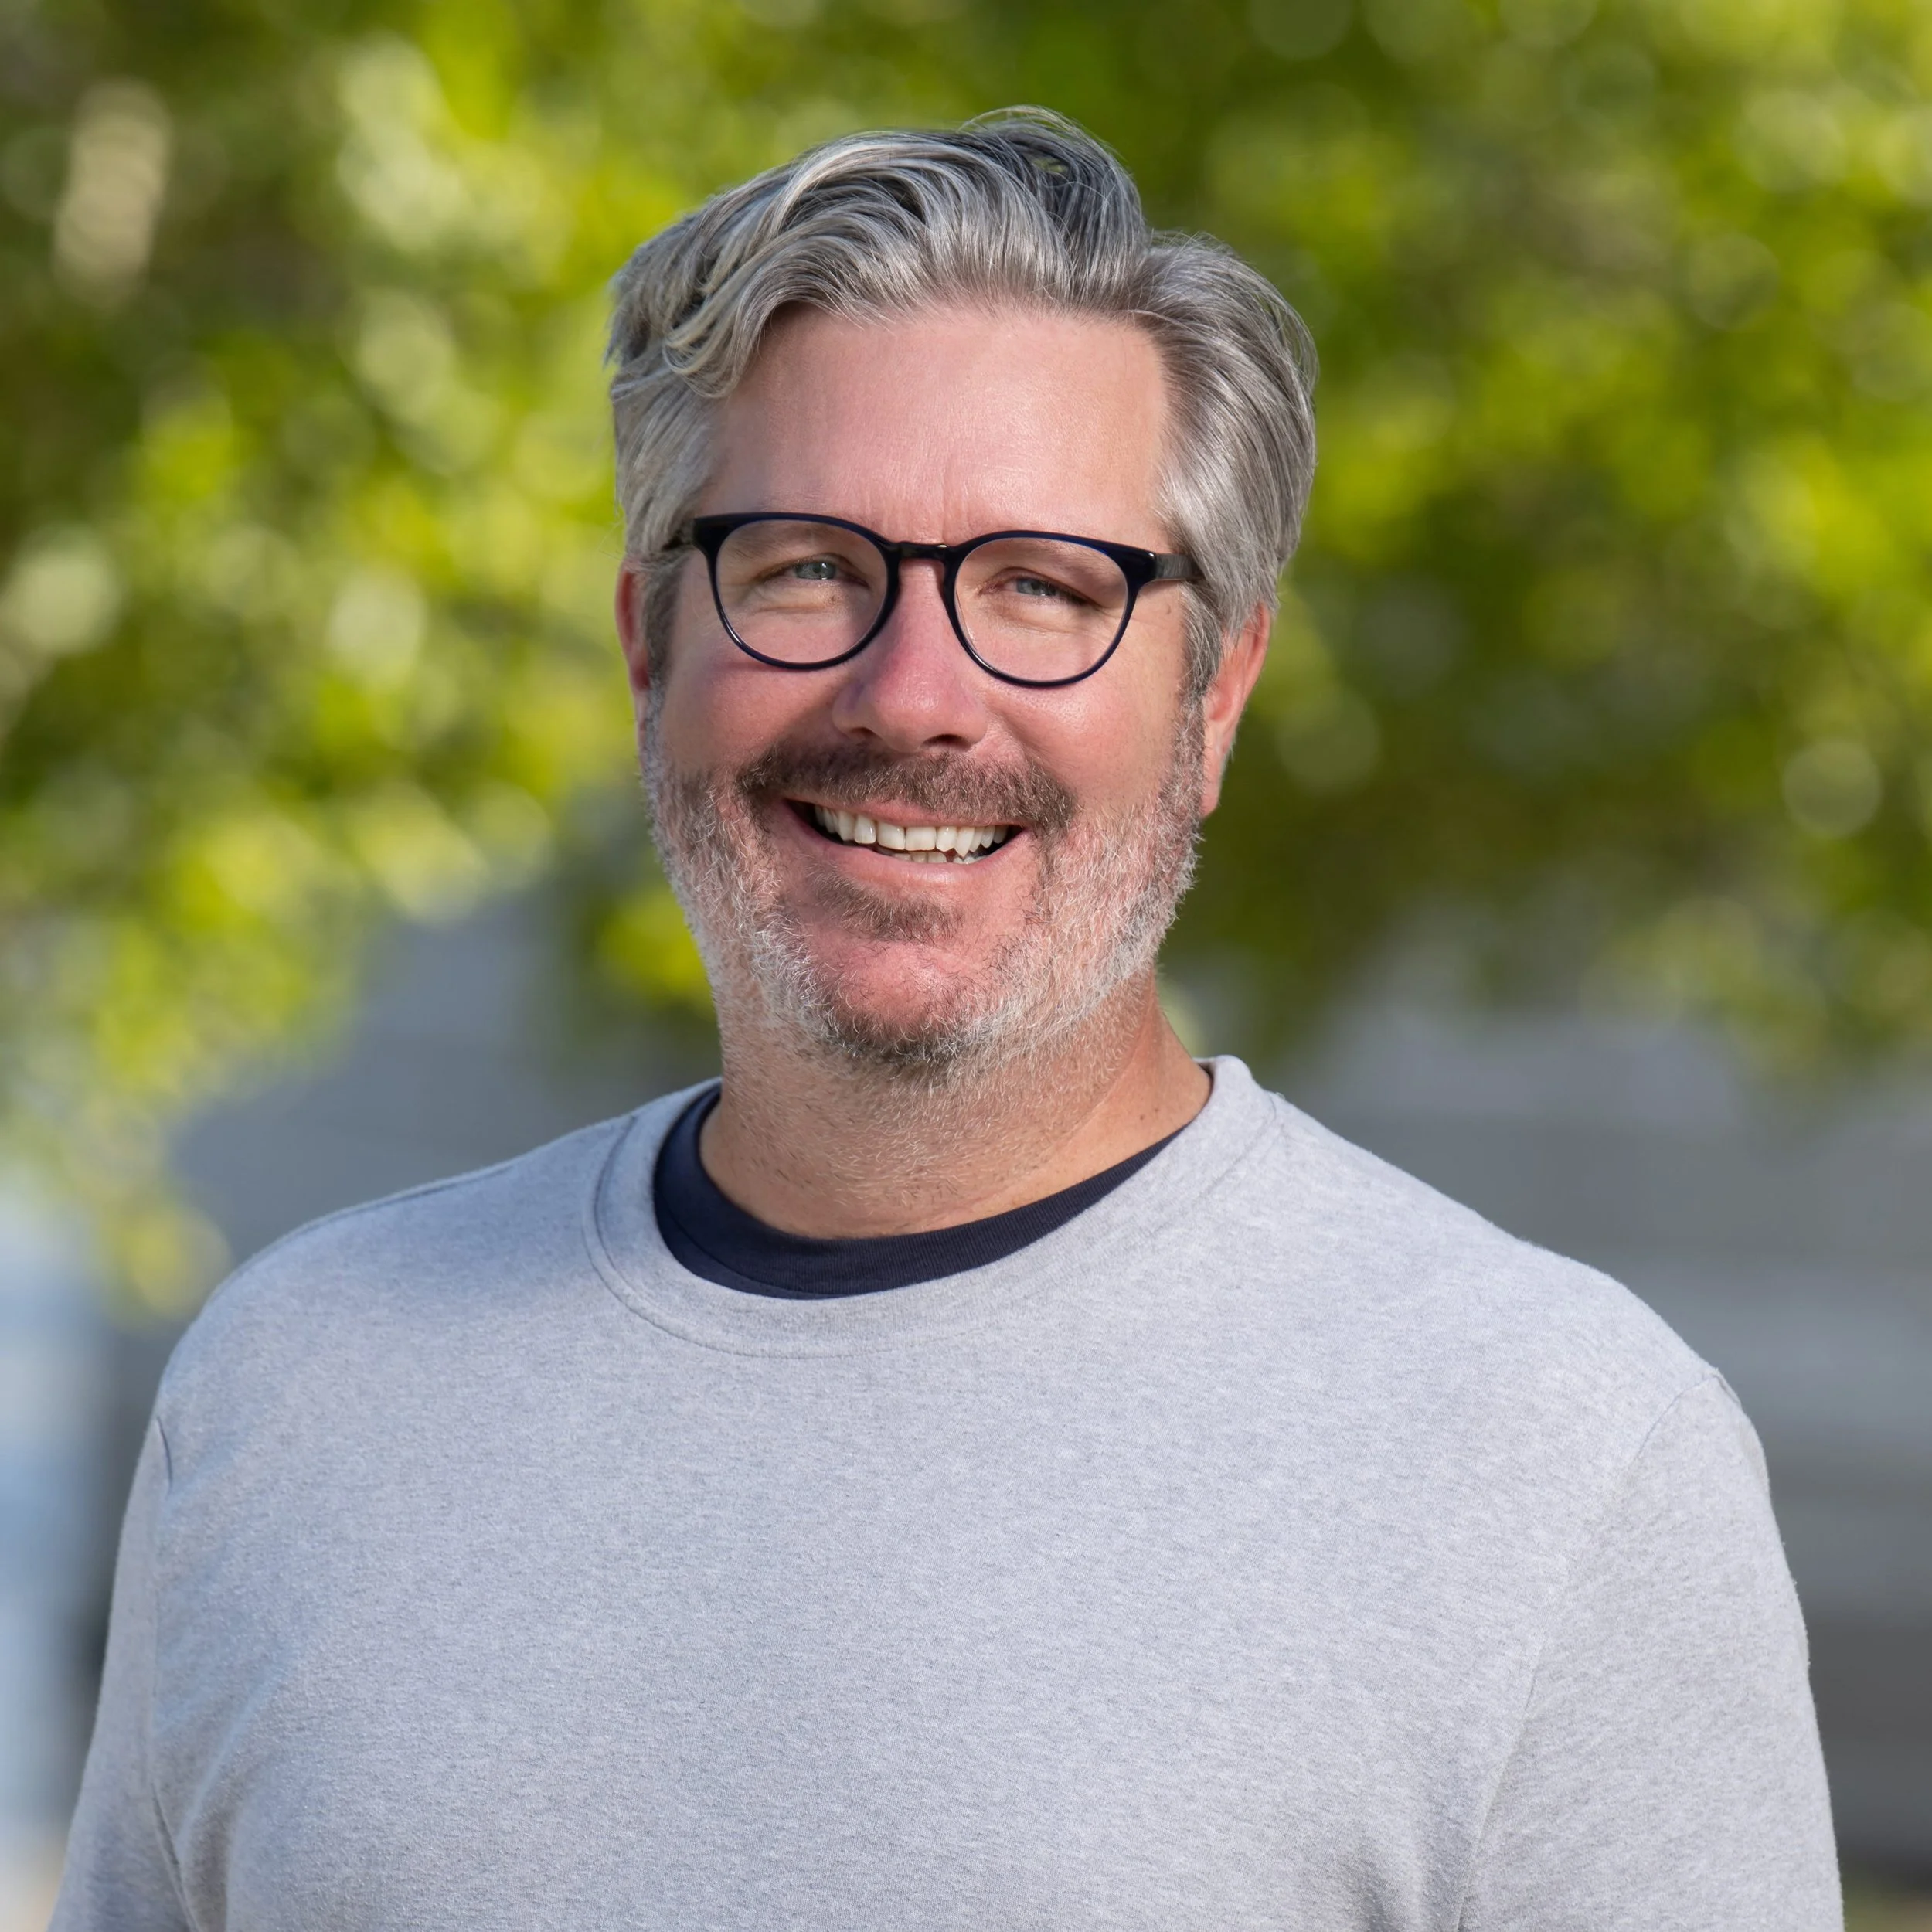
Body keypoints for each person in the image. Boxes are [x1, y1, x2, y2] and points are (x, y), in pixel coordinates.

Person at [55, 111, 1839, 1931]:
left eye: (1044, 590)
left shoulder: (1556, 1454)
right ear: (651, 646)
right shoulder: (293, 1386)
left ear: (1214, 695)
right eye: (809, 566)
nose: (914, 694)